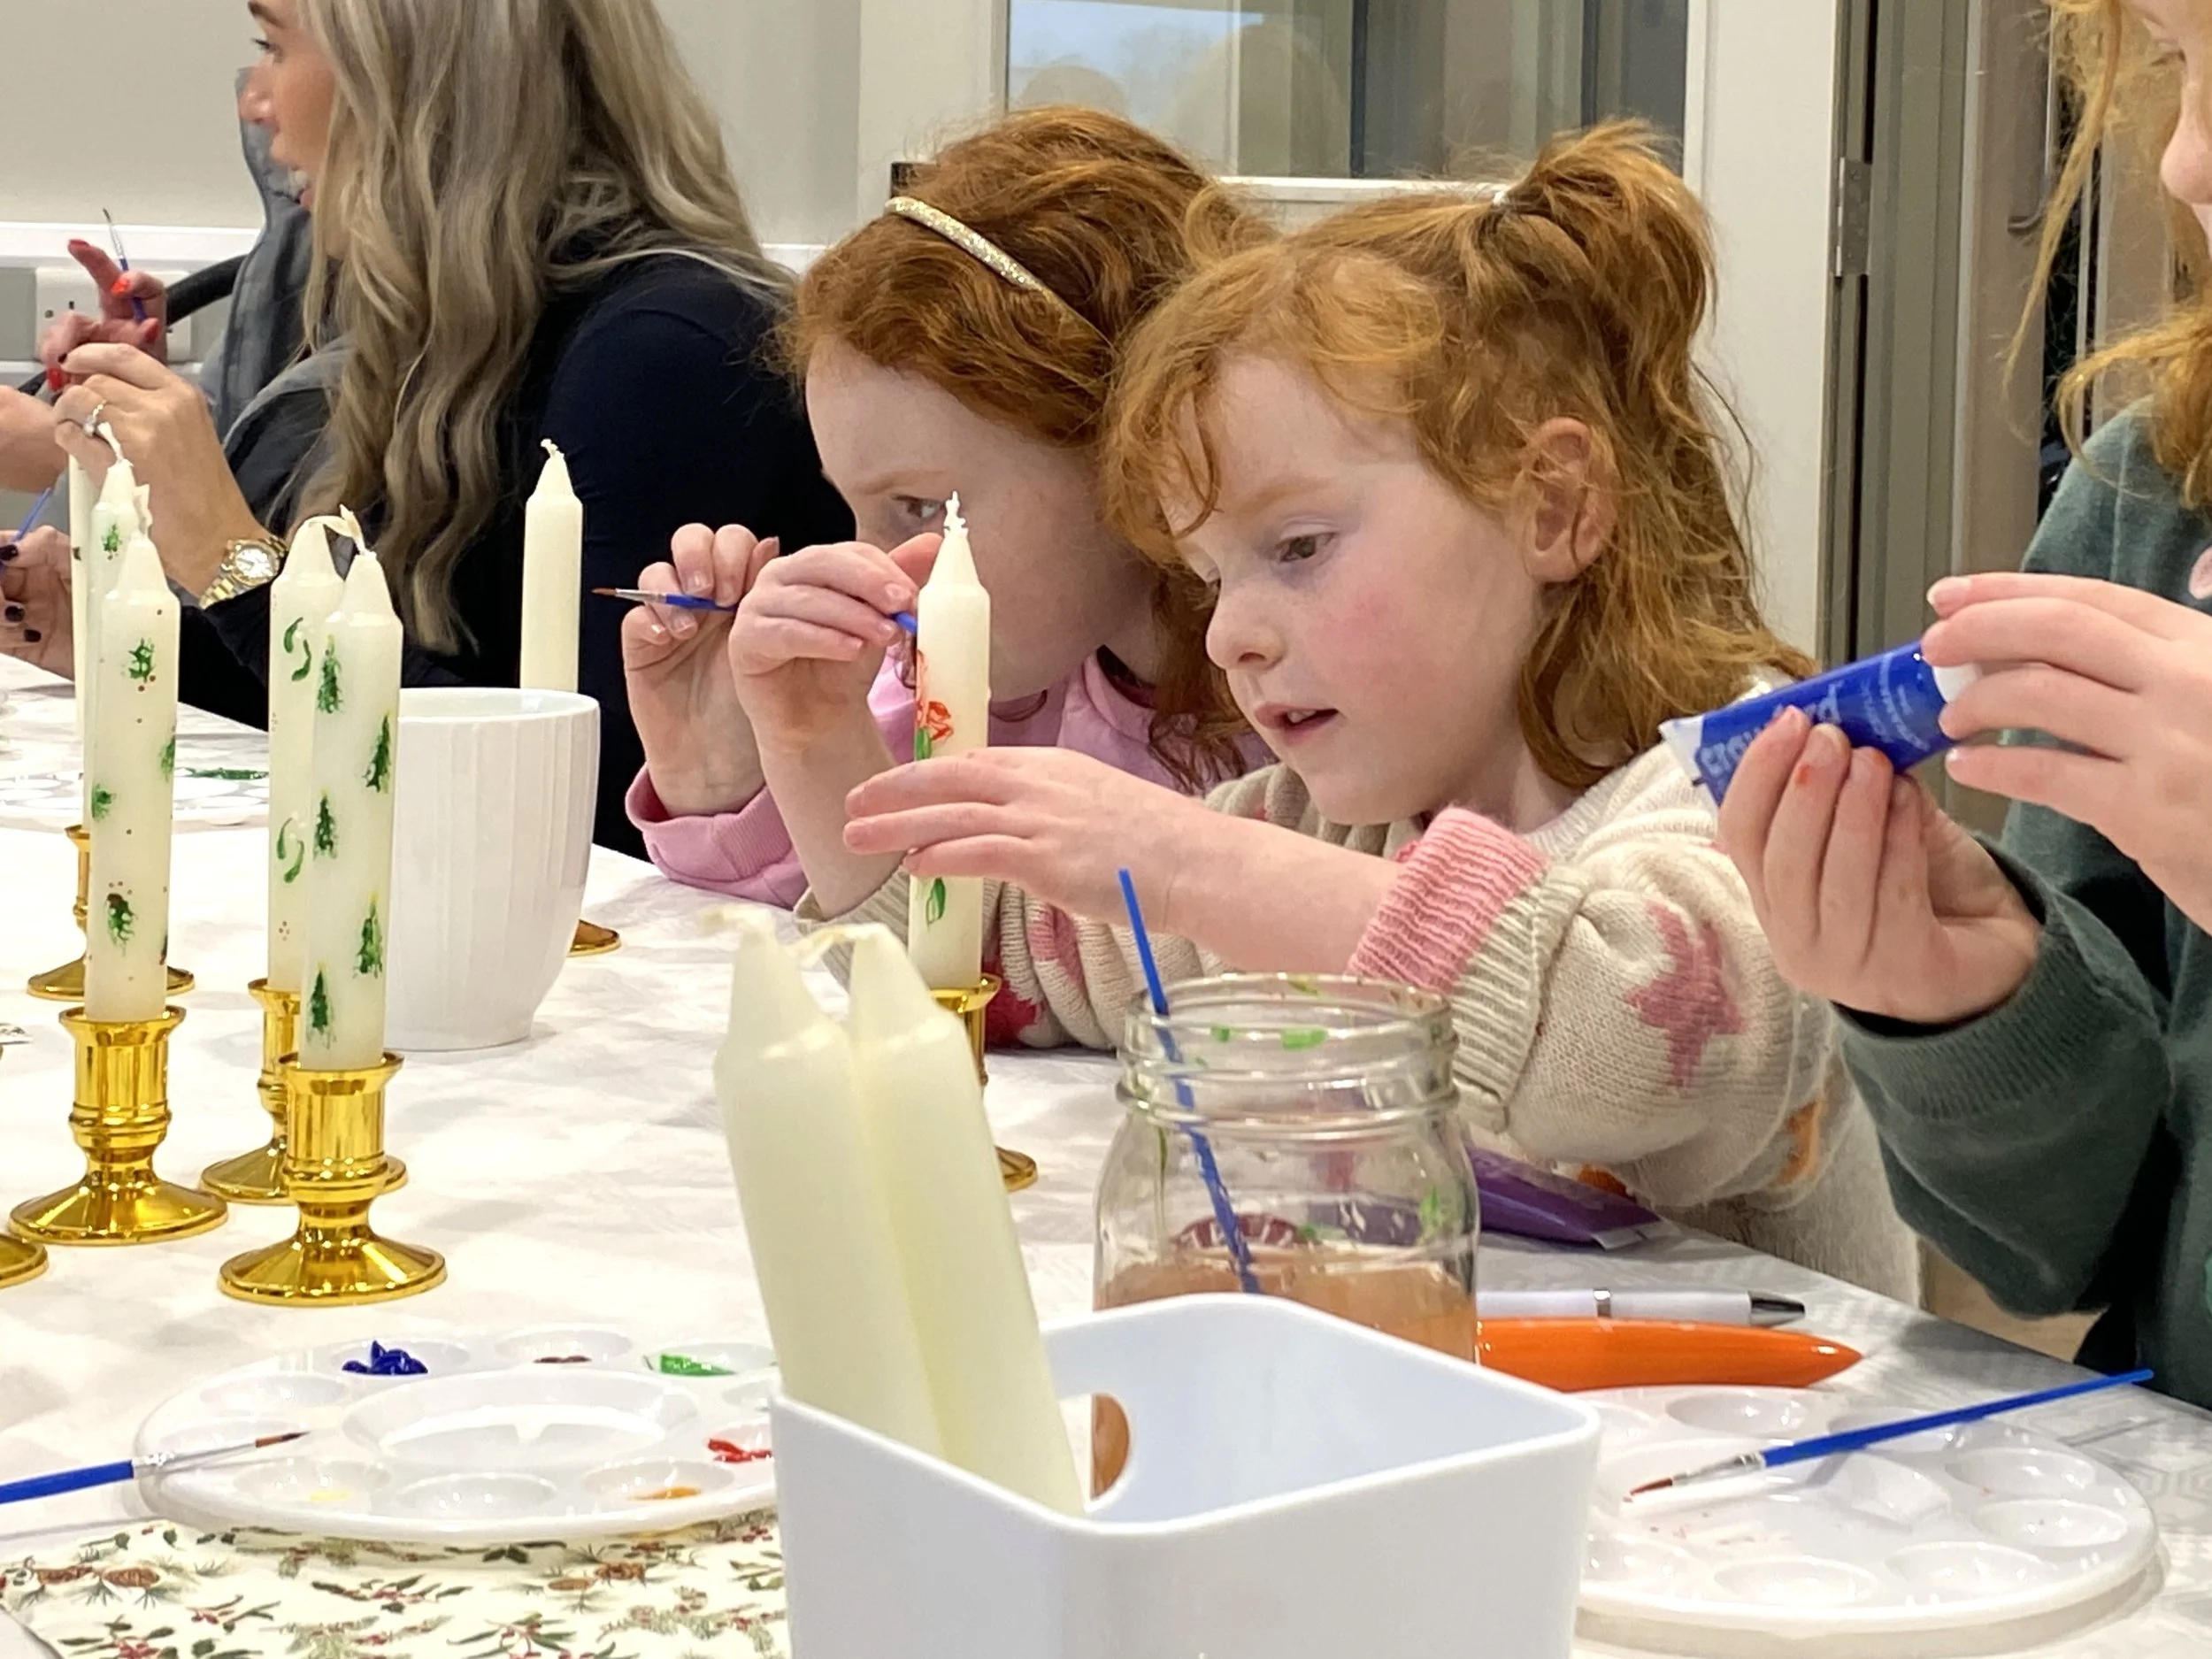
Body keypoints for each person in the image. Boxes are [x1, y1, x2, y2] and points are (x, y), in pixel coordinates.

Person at [793, 123, 1918, 1295]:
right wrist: (815, 731)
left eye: (1297, 547)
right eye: (1211, 578)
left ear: (1551, 504)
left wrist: (1186, 861)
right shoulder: (1327, 823)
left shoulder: (1753, 791)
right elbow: (964, 959)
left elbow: (1627, 1031)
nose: (1228, 635)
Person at [1715, 0, 2212, 1400]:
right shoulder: (2150, 503)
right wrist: (1970, 1009)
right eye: (2179, 61)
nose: (2184, 160)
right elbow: (2074, 1247)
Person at [35, 0, 850, 855]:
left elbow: (577, 806)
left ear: (405, 78)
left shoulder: (664, 350)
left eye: (273, 47)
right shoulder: (463, 335)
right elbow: (407, 713)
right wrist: (134, 639)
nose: (255, 101)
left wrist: (230, 561)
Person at [623, 107, 1264, 916]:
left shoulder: (1308, 716)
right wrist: (728, 774)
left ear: (1131, 453)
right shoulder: (973, 691)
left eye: (920, 506)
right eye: (851, 508)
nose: (877, 564)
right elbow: (860, 917)